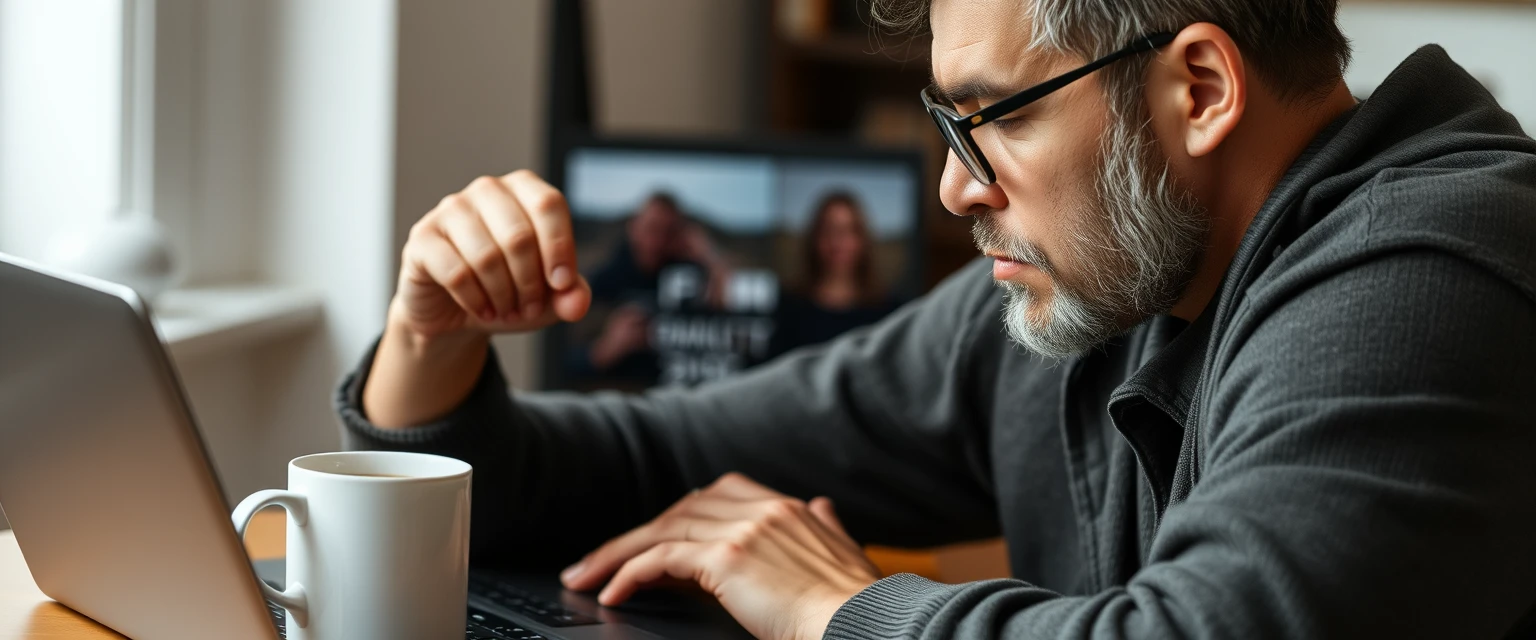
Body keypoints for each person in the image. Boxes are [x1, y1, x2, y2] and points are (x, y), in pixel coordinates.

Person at [344, 0, 1536, 637]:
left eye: (995, 117)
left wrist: (836, 609)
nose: (955, 185)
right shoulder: (1115, 280)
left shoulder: (1439, 270)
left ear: (1201, 90)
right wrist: (433, 342)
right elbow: (640, 465)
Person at [566, 192, 730, 384]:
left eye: (668, 232)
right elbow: (560, 358)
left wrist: (708, 254)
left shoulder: (690, 273)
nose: (657, 242)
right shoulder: (605, 278)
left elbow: (735, 307)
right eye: (652, 228)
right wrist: (606, 350)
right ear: (633, 228)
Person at [773, 191, 903, 355]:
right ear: (815, 238)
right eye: (829, 230)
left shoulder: (888, 309)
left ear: (862, 240)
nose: (838, 242)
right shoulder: (790, 307)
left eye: (848, 230)